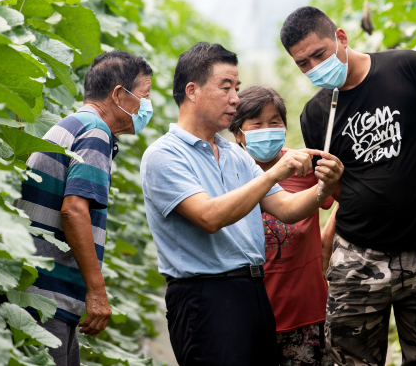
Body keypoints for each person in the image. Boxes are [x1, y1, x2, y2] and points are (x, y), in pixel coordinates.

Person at [280, 6, 416, 366]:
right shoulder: (317, 113)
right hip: (357, 255)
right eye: (303, 64)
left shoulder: (408, 68)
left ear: (341, 37)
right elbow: (335, 185)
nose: (314, 67)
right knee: (351, 359)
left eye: (319, 54)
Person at [140, 42, 344, 366]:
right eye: (226, 87)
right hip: (205, 297)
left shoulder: (234, 153)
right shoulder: (164, 156)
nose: (236, 97)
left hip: (252, 291)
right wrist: (275, 172)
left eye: (236, 87)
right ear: (192, 91)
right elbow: (208, 216)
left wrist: (325, 187)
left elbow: (287, 207)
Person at [16, 51, 154, 366]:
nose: (146, 108)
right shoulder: (95, 132)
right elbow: (74, 210)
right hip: (45, 297)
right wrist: (97, 292)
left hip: (33, 292)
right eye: (144, 97)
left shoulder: (73, 125)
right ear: (119, 94)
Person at [229, 85, 335, 366]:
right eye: (257, 124)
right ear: (238, 132)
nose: (267, 129)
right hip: (247, 317)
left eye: (274, 122)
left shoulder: (305, 166)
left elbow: (346, 196)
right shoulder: (227, 171)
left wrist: (327, 240)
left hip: (306, 312)